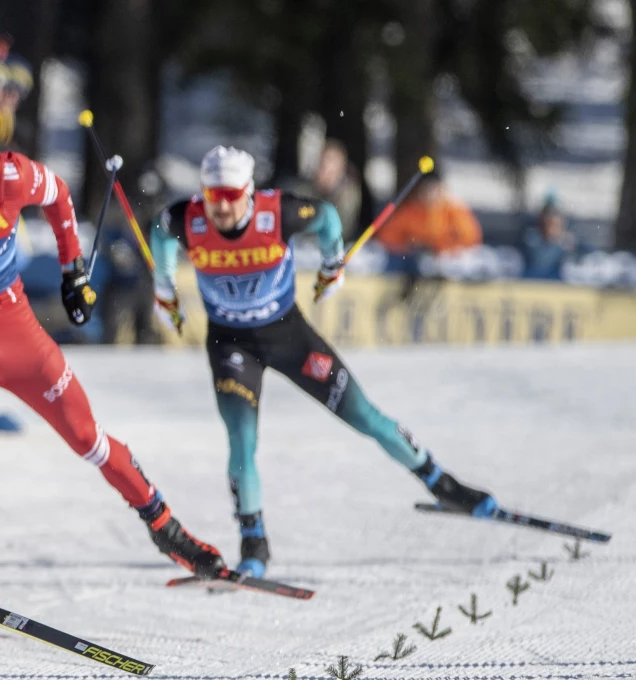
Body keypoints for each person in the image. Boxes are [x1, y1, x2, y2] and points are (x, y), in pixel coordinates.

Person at [0, 98, 226, 640]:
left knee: (87, 437)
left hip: (13, 333)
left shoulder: (6, 176)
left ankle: (165, 528)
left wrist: (72, 271)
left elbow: (57, 193)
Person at [150, 146, 497, 578]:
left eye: (230, 194)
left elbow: (329, 217)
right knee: (241, 440)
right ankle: (254, 543)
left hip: (288, 336)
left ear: (249, 191)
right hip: (231, 345)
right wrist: (164, 289)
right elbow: (161, 232)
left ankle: (442, 484)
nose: (220, 205)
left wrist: (333, 264)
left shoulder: (279, 213)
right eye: (212, 194)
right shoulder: (187, 218)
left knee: (364, 416)